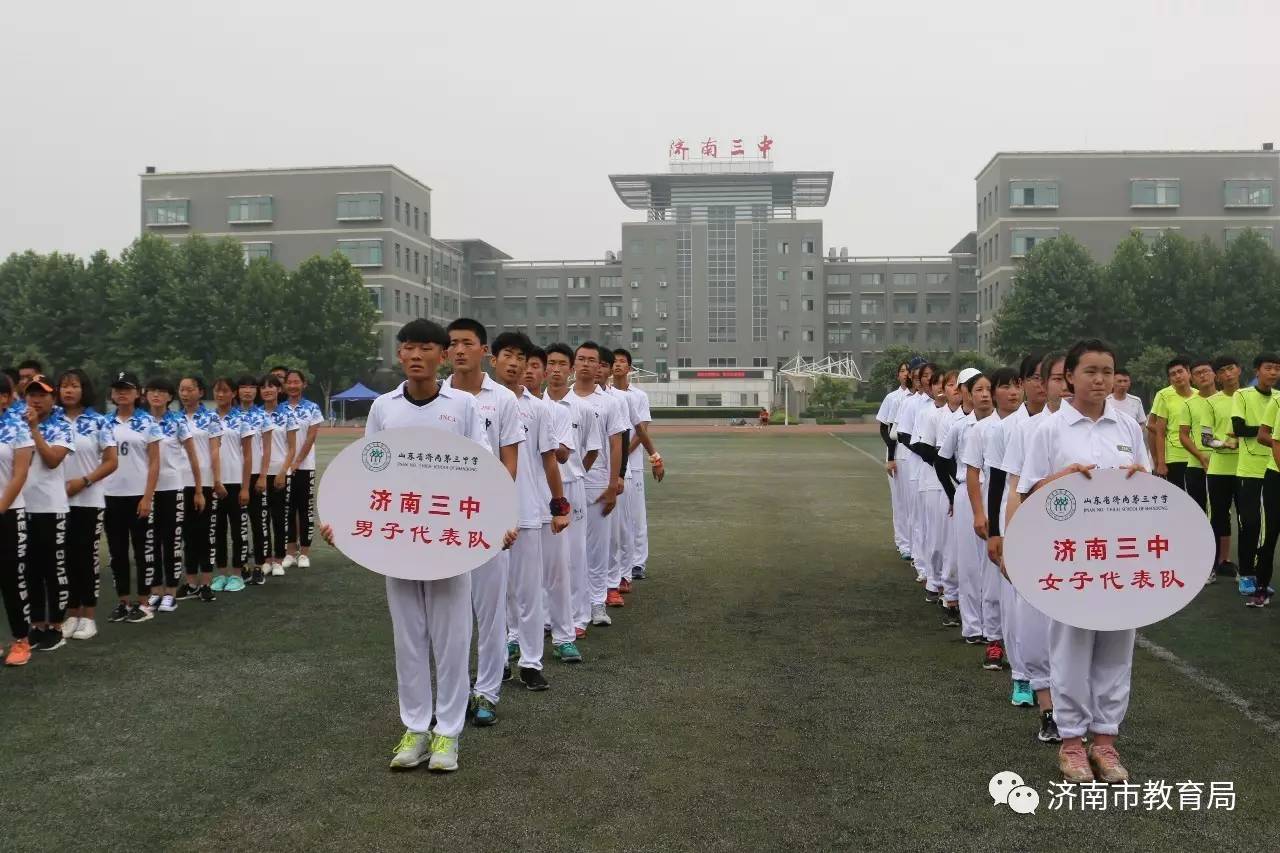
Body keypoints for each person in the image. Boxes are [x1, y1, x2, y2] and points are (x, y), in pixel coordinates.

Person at [320, 319, 503, 773]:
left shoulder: (462, 406)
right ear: (399, 356)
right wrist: (341, 521)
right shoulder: (384, 408)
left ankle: (448, 735)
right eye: (408, 348)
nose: (416, 355)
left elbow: (483, 468)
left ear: (441, 356)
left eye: (426, 348)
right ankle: (416, 728)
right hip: (398, 539)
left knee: (453, 636)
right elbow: (365, 470)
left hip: (448, 538)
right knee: (408, 638)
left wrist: (501, 520)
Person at [1017, 338, 1149, 784]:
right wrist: (1061, 480)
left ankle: (1105, 743)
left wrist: (1141, 479)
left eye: (1107, 371)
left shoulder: (1127, 426)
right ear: (1069, 376)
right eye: (1090, 371)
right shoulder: (1048, 430)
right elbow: (1029, 492)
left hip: (1121, 556)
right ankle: (1072, 744)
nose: (1100, 379)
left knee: (1117, 648)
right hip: (1071, 558)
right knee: (1071, 649)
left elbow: (1148, 486)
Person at [444, 318, 522, 727]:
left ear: (483, 351)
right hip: (442, 521)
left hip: (487, 518)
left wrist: (493, 504)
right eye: (453, 343)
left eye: (467, 343)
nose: (459, 350)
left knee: (490, 612)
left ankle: (487, 691)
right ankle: (454, 693)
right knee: (451, 614)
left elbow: (510, 460)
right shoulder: (438, 398)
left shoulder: (503, 400)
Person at [491, 332, 566, 691]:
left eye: (521, 357)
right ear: (493, 360)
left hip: (527, 511)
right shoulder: (474, 404)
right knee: (493, 593)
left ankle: (531, 662)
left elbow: (549, 460)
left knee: (528, 591)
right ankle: (498, 660)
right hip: (484, 512)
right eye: (507, 355)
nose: (514, 362)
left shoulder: (537, 408)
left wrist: (559, 505)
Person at [1003, 353, 1068, 745]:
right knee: (1036, 623)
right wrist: (1012, 541)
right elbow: (1016, 487)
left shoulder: (1118, 427)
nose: (1060, 385)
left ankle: (1084, 715)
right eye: (1054, 378)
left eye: (1066, 377)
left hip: (1087, 549)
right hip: (1042, 539)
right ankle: (1048, 708)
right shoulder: (1032, 430)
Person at [523, 347, 580, 664]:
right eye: (524, 364)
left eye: (535, 366)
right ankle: (515, 638)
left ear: (544, 373)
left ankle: (564, 637)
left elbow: (561, 456)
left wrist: (545, 436)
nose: (528, 371)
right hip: (516, 504)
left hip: (546, 501)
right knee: (516, 581)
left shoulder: (554, 412)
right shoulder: (503, 407)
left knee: (557, 574)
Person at [545, 342, 602, 642]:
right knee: (546, 556)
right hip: (543, 487)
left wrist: (576, 472)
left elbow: (592, 450)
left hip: (573, 486)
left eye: (561, 364)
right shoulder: (535, 405)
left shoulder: (583, 408)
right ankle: (546, 616)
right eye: (550, 363)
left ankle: (579, 616)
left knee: (576, 554)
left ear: (570, 369)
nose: (555, 369)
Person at [58, 369, 118, 641]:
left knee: (86, 558)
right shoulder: (52, 420)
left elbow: (111, 461)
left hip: (88, 499)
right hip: (56, 501)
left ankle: (88, 616)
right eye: (64, 386)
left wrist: (84, 481)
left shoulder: (98, 422)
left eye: (74, 386)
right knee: (65, 559)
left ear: (85, 389)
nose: (68, 391)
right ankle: (71, 613)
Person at [20, 375, 76, 651]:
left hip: (51, 508)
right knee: (29, 570)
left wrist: (34, 431)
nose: (36, 399)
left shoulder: (62, 427)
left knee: (53, 569)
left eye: (41, 394)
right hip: (22, 507)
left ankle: (55, 625)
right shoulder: (13, 426)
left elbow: (53, 460)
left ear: (52, 399)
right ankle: (36, 625)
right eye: (31, 394)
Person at [573, 342, 627, 628]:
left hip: (597, 484)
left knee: (597, 547)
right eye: (580, 359)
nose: (585, 364)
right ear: (574, 364)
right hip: (568, 485)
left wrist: (613, 483)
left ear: (598, 367)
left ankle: (597, 603)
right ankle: (574, 609)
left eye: (591, 360)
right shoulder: (558, 400)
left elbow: (616, 444)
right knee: (571, 550)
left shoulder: (610, 402)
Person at [102, 372, 162, 623]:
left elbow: (155, 461)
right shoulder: (104, 423)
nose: (121, 393)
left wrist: (148, 497)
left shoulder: (148, 422)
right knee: (117, 553)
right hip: (110, 494)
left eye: (126, 389)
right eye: (117, 389)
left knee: (142, 551)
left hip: (138, 495)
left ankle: (144, 601)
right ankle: (123, 601)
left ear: (138, 393)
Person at [146, 377, 202, 614]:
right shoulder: (141, 421)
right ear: (145, 394)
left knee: (171, 541)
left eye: (162, 391)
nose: (156, 395)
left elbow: (193, 457)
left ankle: (170, 590)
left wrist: (199, 489)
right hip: (146, 491)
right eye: (152, 391)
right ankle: (155, 589)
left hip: (172, 488)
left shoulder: (178, 422)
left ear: (170, 397)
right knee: (151, 541)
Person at [1233, 354, 1280, 606]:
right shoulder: (1243, 395)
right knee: (1249, 523)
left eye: (1277, 369)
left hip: (1272, 471)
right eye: (1268, 368)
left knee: (1266, 528)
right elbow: (1239, 429)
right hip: (1249, 470)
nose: (1273, 373)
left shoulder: (1278, 398)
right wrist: (1271, 433)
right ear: (1257, 371)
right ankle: (1246, 575)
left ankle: (1260, 578)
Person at [612, 348, 662, 583]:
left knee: (636, 515)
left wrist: (622, 454)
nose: (618, 365)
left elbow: (641, 430)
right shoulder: (606, 394)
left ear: (630, 368)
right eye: (614, 361)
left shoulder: (638, 396)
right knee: (616, 517)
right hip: (611, 464)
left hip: (632, 465)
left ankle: (637, 562)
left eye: (623, 362)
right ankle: (618, 564)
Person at [936, 368, 981, 630]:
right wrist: (954, 493)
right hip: (964, 490)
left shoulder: (998, 423)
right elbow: (943, 460)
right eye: (975, 388)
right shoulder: (956, 425)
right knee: (961, 554)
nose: (982, 394)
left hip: (989, 492)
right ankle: (953, 600)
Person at [177, 376, 222, 602]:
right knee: (186, 534)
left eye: (189, 389)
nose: (185, 394)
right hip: (178, 483)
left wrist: (216, 480)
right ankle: (190, 581)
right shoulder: (174, 419)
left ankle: (206, 582)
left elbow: (214, 451)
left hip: (202, 483)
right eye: (182, 390)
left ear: (200, 392)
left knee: (203, 533)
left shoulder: (210, 418)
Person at [0, 374, 34, 666]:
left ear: (5, 398)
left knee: (11, 578)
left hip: (9, 513)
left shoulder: (17, 429)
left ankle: (21, 640)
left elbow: (20, 474)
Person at [597, 348, 633, 602]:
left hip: (608, 476)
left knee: (611, 533)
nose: (596, 368)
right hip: (577, 479)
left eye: (601, 364)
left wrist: (618, 475)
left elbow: (624, 438)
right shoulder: (567, 397)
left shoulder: (617, 400)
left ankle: (612, 584)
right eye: (589, 361)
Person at [211, 378, 254, 593]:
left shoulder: (241, 420)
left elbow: (247, 456)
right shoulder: (207, 419)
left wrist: (246, 487)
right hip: (214, 485)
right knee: (217, 531)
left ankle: (237, 574)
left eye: (225, 391)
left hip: (235, 482)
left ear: (233, 394)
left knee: (238, 531)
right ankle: (220, 573)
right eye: (217, 391)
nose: (220, 395)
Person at [283, 369, 324, 570]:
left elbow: (311, 436)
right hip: (283, 469)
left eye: (296, 382)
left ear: (303, 384)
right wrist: (287, 465)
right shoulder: (279, 409)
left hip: (305, 466)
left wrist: (298, 461)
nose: (292, 385)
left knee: (304, 510)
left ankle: (304, 552)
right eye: (289, 382)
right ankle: (290, 552)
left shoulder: (312, 408)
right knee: (287, 510)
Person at [1205, 356, 1242, 579]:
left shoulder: (1249, 397)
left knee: (1248, 520)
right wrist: (1225, 444)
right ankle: (1211, 566)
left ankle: (1247, 570)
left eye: (1231, 369)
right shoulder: (1211, 402)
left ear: (1239, 370)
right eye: (1222, 371)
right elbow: (1206, 438)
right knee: (1217, 517)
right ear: (1217, 376)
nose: (1227, 374)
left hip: (1247, 469)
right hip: (1218, 469)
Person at [259, 374, 298, 577]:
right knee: (261, 517)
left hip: (281, 473)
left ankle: (278, 559)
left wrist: (283, 472)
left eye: (271, 387)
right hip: (260, 474)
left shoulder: (287, 415)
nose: (267, 390)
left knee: (279, 517)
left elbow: (292, 448)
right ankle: (265, 559)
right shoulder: (255, 416)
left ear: (278, 390)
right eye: (264, 387)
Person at [876, 361, 913, 561]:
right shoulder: (893, 398)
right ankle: (903, 543)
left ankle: (915, 543)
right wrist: (890, 457)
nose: (906, 374)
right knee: (899, 500)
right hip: (897, 450)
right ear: (898, 375)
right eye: (902, 371)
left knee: (913, 501)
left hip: (914, 454)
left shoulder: (920, 398)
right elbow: (885, 428)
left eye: (909, 371)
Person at [1149, 356, 1195, 492]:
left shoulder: (1200, 396)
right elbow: (1159, 431)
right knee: (1179, 498)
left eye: (1180, 372)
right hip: (1175, 457)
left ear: (1189, 373)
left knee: (1198, 500)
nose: (1177, 376)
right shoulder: (1164, 395)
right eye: (1173, 374)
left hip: (1197, 456)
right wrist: (1160, 462)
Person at [1177, 359, 1215, 521]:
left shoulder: (1230, 399)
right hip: (1196, 464)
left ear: (1214, 373)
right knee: (1198, 512)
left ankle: (1221, 548)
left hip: (1225, 464)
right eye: (1198, 373)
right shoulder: (1189, 404)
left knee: (1221, 513)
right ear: (1192, 378)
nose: (1203, 375)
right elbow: (1183, 435)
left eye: (1206, 371)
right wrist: (1200, 456)